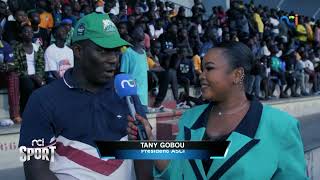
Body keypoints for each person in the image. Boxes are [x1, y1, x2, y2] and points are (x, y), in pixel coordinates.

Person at [128, 42, 308, 179]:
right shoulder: (190, 119)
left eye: (209, 68)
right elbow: (174, 171)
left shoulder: (281, 126)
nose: (201, 74)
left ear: (237, 75)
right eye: (202, 68)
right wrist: (149, 141)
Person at [19, 13, 148, 180]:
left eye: (116, 51)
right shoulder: (42, 100)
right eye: (103, 51)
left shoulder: (126, 93)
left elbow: (142, 151)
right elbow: (35, 171)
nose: (113, 60)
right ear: (78, 51)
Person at [13, 24, 45, 113]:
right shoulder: (17, 48)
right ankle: (25, 111)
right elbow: (16, 67)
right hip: (24, 76)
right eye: (26, 31)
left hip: (36, 76)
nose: (29, 33)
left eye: (31, 32)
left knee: (46, 85)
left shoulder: (37, 47)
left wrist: (38, 76)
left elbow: (41, 65)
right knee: (28, 85)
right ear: (21, 34)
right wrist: (32, 76)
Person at [120, 25, 149, 112]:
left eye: (142, 31)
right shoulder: (127, 53)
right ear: (133, 35)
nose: (142, 32)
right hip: (132, 97)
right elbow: (123, 75)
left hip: (143, 98)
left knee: (143, 122)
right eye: (139, 30)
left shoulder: (143, 52)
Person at [0, 27, 21, 123]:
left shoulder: (5, 45)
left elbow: (12, 64)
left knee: (13, 76)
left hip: (1, 76)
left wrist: (7, 67)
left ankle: (15, 114)